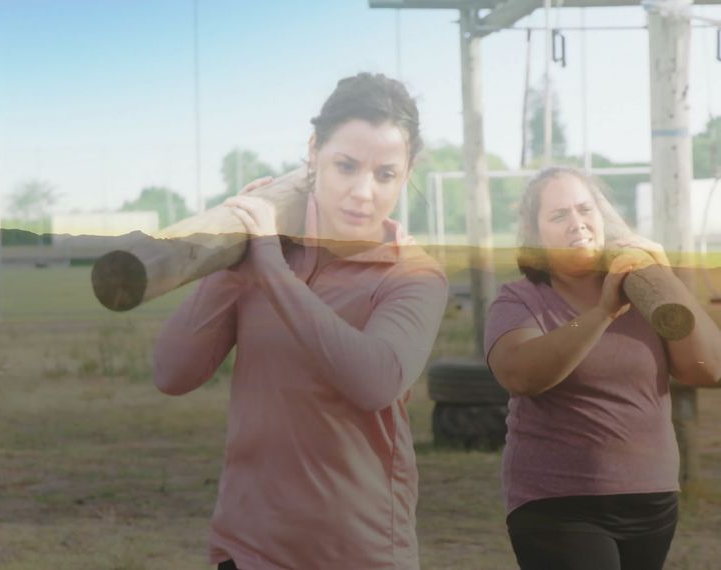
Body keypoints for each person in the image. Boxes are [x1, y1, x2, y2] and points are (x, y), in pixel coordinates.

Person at [152, 73, 449, 569]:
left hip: (358, 553)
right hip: (246, 550)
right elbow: (172, 372)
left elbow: (375, 380)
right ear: (313, 151)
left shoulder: (414, 275)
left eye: (385, 175)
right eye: (346, 166)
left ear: (408, 171)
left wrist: (268, 264)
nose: (362, 192)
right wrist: (239, 259)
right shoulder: (270, 257)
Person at [484, 166, 721, 570]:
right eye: (558, 216)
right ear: (534, 232)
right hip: (559, 503)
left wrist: (664, 278)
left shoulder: (642, 290)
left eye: (584, 208)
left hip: (652, 499)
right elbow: (520, 375)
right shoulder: (518, 300)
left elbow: (708, 369)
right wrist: (603, 312)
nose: (577, 223)